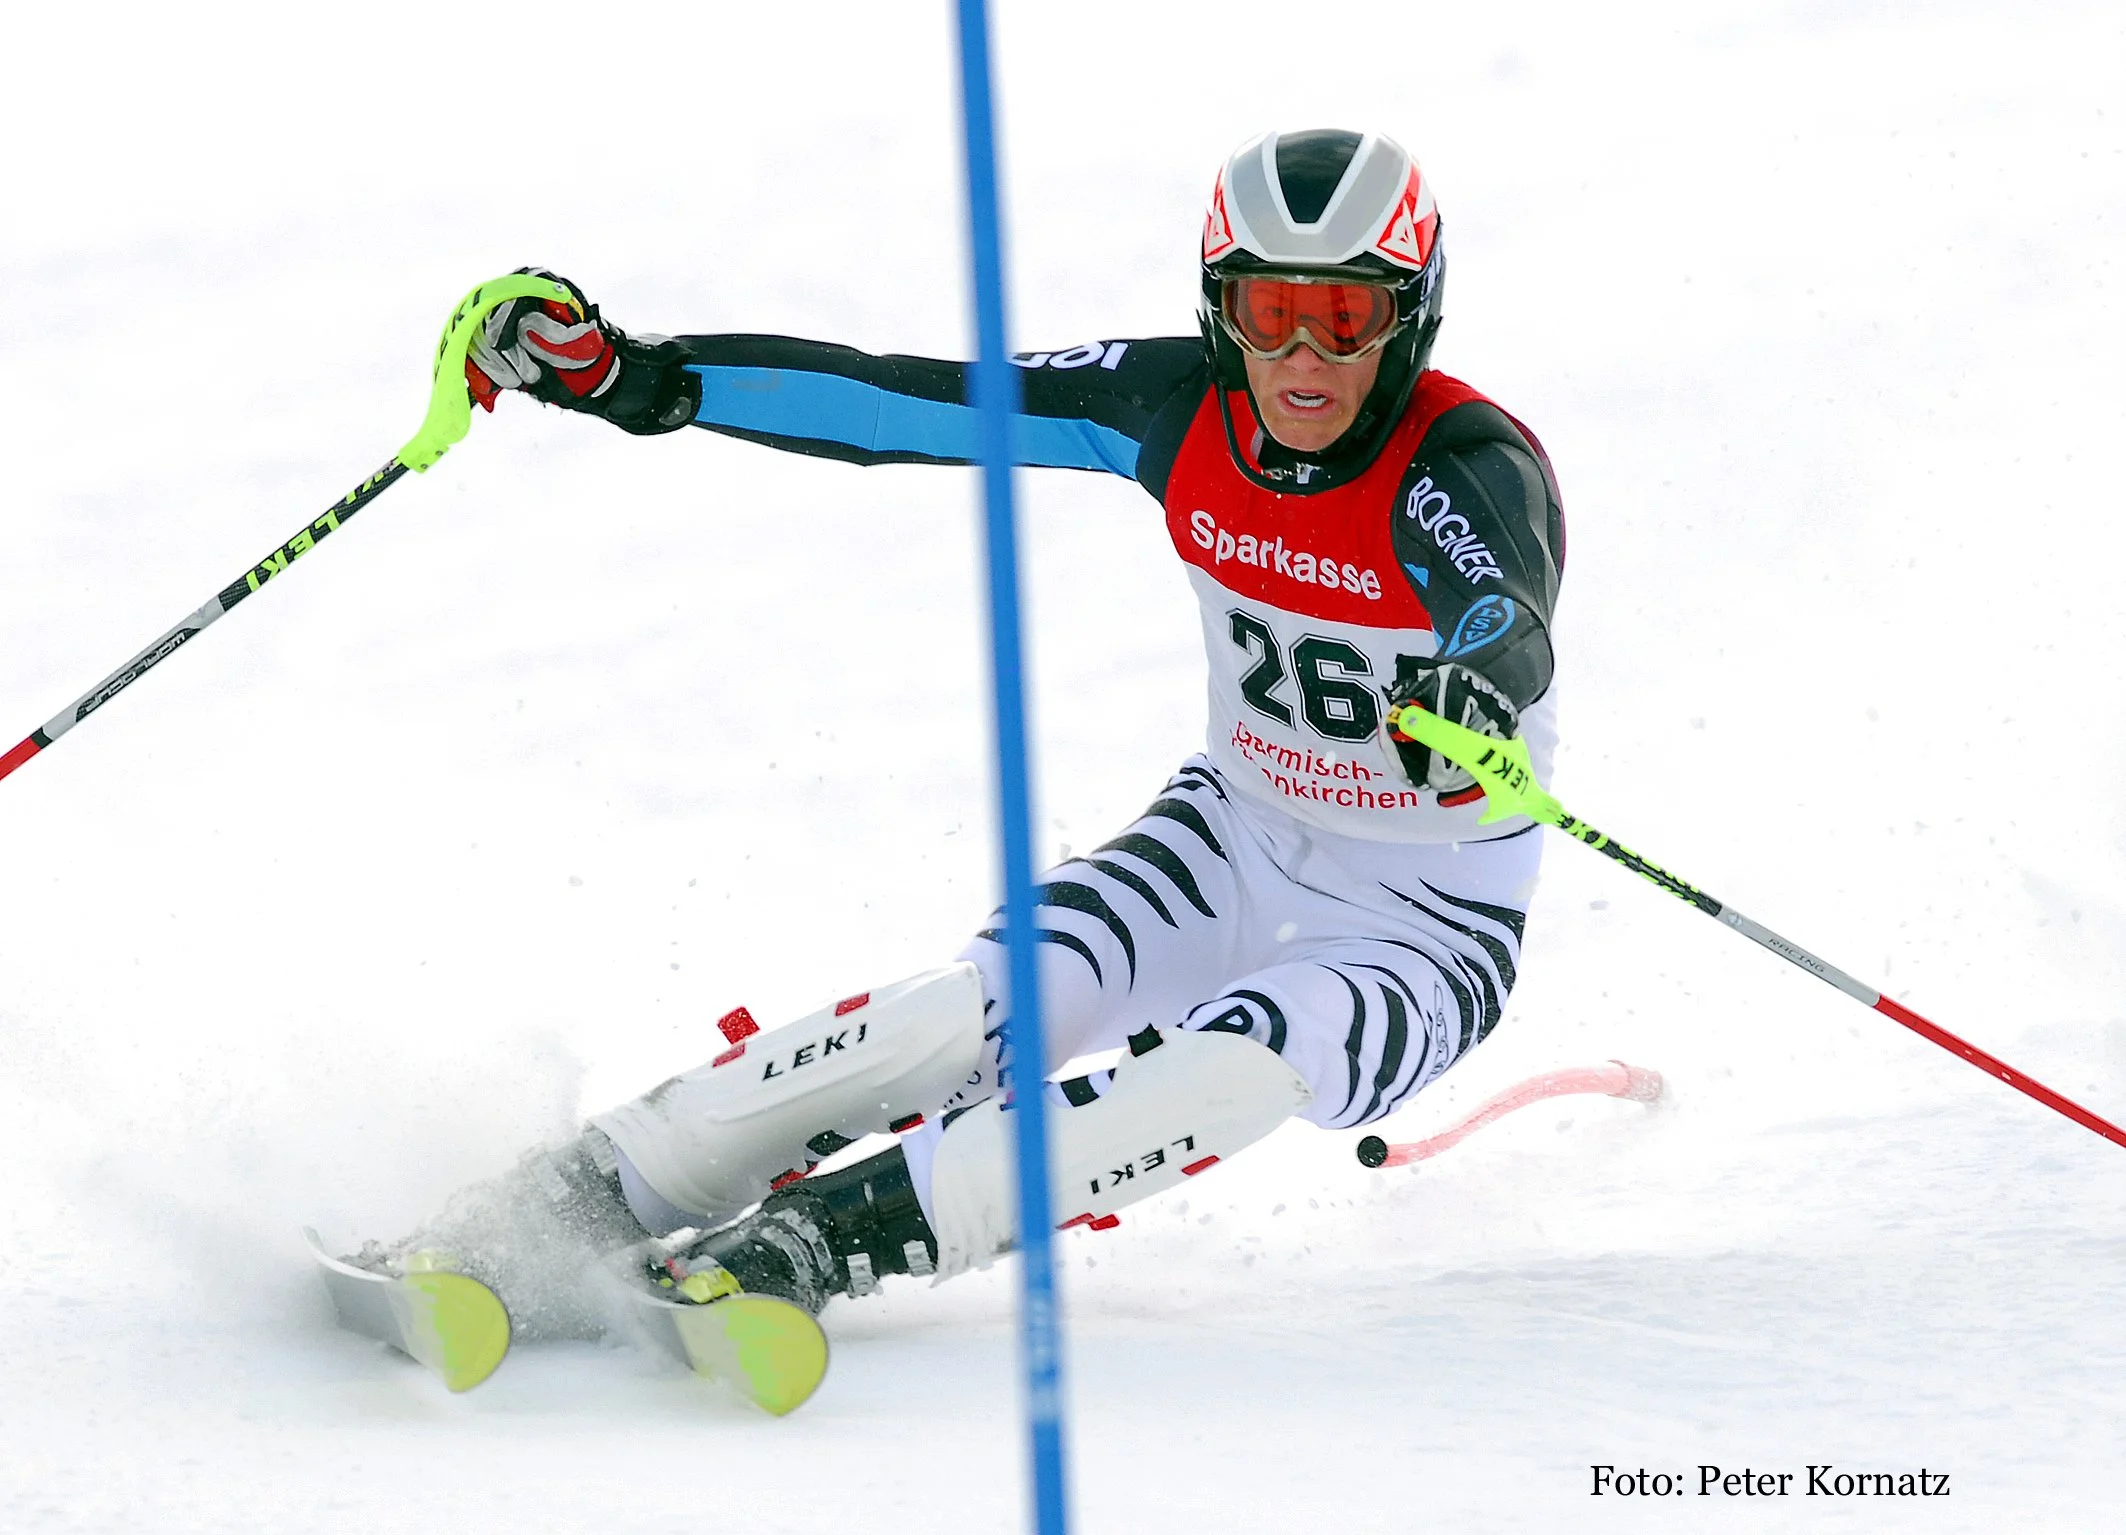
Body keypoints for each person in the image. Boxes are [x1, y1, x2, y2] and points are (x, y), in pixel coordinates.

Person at [369, 128, 1566, 1336]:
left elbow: (1503, 600)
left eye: (1345, 319)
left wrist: (1477, 677)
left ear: (1409, 317)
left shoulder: (1459, 460)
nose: (1302, 358)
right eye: (1268, 312)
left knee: (1229, 1061)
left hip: (1424, 926)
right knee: (963, 1014)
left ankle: (813, 1244)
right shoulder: (1176, 410)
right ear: (1219, 309)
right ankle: (552, 1208)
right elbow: (909, 402)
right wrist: (642, 379)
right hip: (1228, 841)